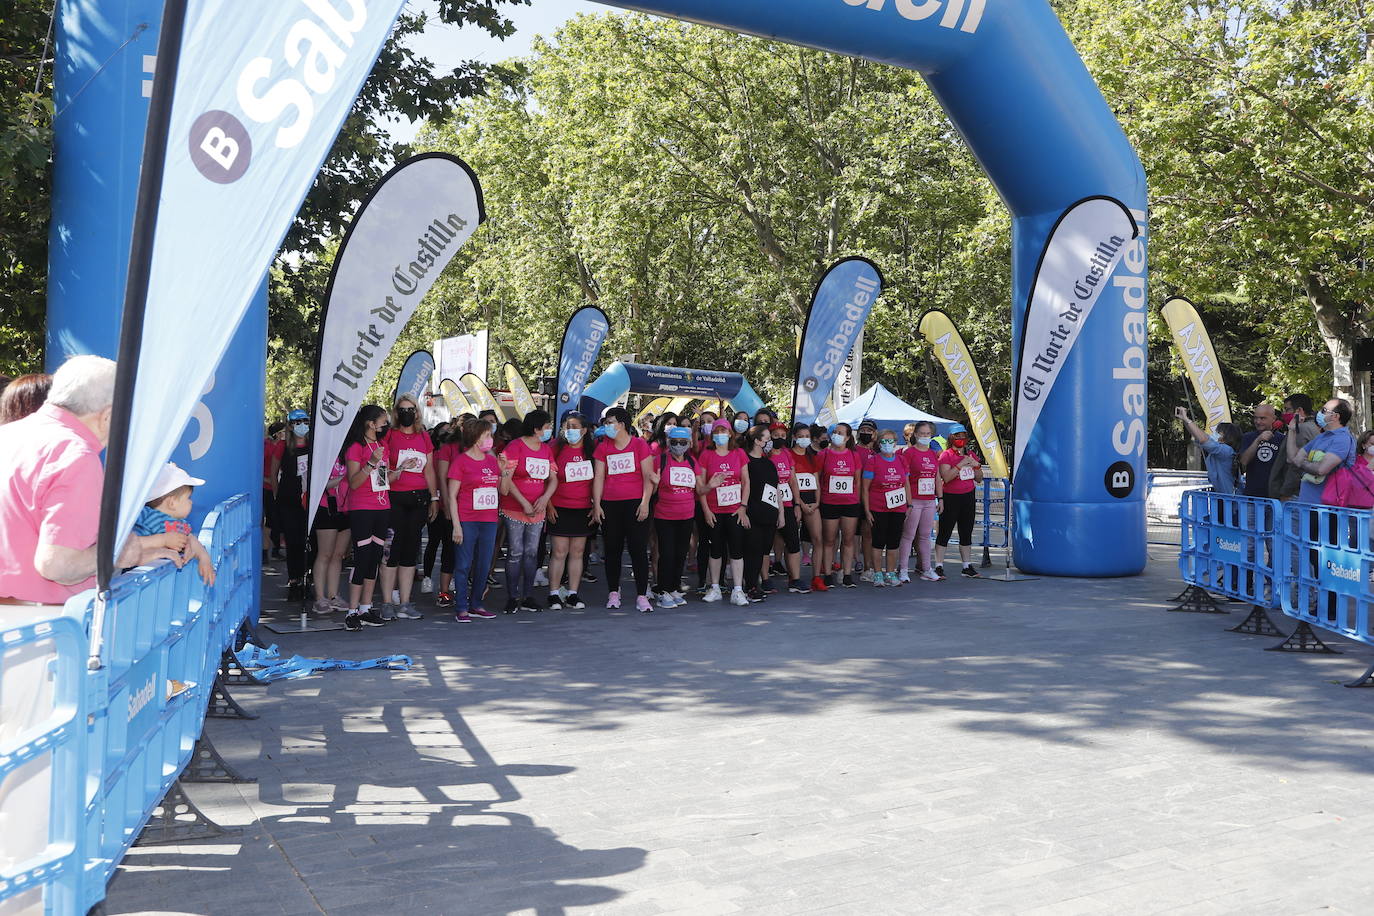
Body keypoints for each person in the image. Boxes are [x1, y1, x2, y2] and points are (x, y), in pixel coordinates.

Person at [0, 355, 186, 607]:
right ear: (108, 416)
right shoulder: (75, 456)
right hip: (47, 624)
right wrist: (119, 553)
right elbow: (57, 564)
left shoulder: (8, 434)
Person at [591, 407, 656, 613]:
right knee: (612, 550)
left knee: (638, 550)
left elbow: (648, 476)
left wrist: (645, 502)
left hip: (636, 504)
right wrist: (597, 504)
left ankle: (641, 595)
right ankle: (613, 592)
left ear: (622, 424)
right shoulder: (603, 447)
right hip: (611, 504)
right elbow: (599, 476)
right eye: (605, 423)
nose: (607, 426)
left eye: (610, 422)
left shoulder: (639, 445)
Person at [378, 395, 437, 621]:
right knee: (391, 551)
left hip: (419, 499)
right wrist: (399, 470)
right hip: (394, 498)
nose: (406, 413)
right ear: (396, 412)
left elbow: (429, 469)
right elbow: (381, 468)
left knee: (410, 552)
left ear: (417, 411)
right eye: (402, 410)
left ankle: (405, 602)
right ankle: (385, 602)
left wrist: (434, 498)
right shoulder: (389, 435)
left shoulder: (424, 436)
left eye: (410, 409)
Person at [342, 406, 398, 631]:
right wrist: (371, 462)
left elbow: (382, 480)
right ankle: (351, 611)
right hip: (362, 509)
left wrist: (400, 470)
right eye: (383, 421)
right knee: (362, 558)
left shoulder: (381, 446)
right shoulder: (356, 448)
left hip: (382, 507)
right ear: (370, 423)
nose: (386, 425)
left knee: (375, 558)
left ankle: (366, 608)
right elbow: (354, 482)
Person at [499, 409, 557, 613]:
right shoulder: (515, 446)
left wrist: (545, 499)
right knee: (516, 552)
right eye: (547, 426)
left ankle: (528, 596)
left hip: (537, 509)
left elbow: (553, 478)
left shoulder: (546, 449)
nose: (550, 430)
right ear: (536, 428)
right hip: (514, 507)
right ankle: (512, 597)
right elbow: (508, 479)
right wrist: (524, 502)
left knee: (532, 553)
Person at [446, 416, 502, 622]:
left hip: (488, 519)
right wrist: (456, 525)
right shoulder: (461, 461)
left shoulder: (492, 460)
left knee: (484, 563)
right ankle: (461, 606)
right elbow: (452, 496)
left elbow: (500, 490)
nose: (491, 439)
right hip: (467, 518)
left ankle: (476, 603)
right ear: (476, 438)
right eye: (487, 435)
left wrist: (506, 472)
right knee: (463, 563)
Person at [133, 463, 216, 586]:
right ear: (172, 503)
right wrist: (162, 540)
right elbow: (128, 544)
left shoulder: (181, 525)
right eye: (188, 498)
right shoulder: (145, 515)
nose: (191, 502)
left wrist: (204, 559)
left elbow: (192, 540)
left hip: (161, 582)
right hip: (136, 582)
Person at [698, 419, 750, 606]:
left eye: (723, 430)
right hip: (714, 510)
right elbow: (701, 487)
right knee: (716, 550)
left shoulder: (739, 453)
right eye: (716, 431)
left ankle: (737, 590)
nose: (720, 434)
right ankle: (715, 587)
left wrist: (743, 507)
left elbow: (746, 482)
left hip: (735, 510)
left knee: (737, 550)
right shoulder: (706, 455)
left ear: (730, 433)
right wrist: (705, 510)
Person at [547, 412, 595, 610]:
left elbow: (598, 480)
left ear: (584, 430)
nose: (570, 431)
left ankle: (573, 593)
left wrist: (596, 505)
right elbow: (546, 479)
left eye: (575, 427)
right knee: (559, 552)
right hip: (559, 507)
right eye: (568, 426)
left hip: (583, 508)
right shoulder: (555, 448)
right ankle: (554, 593)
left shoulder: (592, 451)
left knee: (578, 552)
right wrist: (548, 504)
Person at [652, 426, 698, 608]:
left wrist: (712, 484)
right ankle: (663, 590)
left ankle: (674, 588)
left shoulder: (693, 463)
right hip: (664, 515)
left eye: (683, 442)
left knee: (680, 554)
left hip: (687, 515)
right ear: (669, 442)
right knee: (667, 553)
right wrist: (654, 484)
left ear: (689, 443)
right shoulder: (660, 460)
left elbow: (700, 489)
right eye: (675, 442)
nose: (679, 446)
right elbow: (651, 489)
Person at [270, 409, 312, 602]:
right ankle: (294, 580)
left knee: (309, 542)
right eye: (297, 422)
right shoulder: (283, 446)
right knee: (293, 542)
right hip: (288, 499)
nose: (302, 425)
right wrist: (278, 495)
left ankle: (307, 579)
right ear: (290, 425)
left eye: (305, 421)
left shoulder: (313, 445)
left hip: (309, 500)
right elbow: (274, 472)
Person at [861, 428, 912, 587]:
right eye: (884, 441)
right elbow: (865, 488)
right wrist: (867, 510)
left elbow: (906, 484)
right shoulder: (873, 461)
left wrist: (909, 504)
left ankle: (890, 573)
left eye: (891, 441)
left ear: (896, 443)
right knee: (878, 541)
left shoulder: (901, 460)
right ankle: (877, 574)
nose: (887, 444)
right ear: (879, 443)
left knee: (893, 542)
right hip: (878, 507)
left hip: (898, 508)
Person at [1285, 397, 1357, 504]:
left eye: (1324, 410)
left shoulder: (1342, 439)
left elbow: (1321, 469)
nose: (1319, 413)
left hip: (1326, 510)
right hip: (1308, 505)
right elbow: (1292, 458)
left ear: (1335, 416)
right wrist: (1292, 430)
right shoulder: (1322, 437)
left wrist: (1301, 462)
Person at [935, 424, 984, 578]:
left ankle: (967, 565)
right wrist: (960, 464)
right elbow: (947, 477)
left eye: (963, 436)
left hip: (968, 496)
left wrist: (976, 467)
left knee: (966, 531)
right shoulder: (946, 455)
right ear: (951, 438)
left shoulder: (971, 454)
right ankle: (939, 565)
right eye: (957, 436)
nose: (960, 439)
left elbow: (980, 478)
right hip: (950, 497)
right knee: (945, 531)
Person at [741, 425, 782, 603]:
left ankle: (754, 583)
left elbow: (777, 488)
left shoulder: (769, 463)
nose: (770, 441)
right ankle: (750, 586)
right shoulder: (746, 462)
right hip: (753, 513)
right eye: (766, 438)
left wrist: (780, 513)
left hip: (770, 514)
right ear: (757, 441)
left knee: (764, 551)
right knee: (753, 552)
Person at [818, 422, 862, 588]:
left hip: (850, 503)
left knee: (848, 539)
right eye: (835, 432)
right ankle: (828, 573)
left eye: (841, 432)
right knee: (829, 540)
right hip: (829, 502)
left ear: (848, 437)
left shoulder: (853, 455)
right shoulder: (824, 454)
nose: (837, 435)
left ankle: (847, 573)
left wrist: (856, 500)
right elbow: (818, 477)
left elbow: (857, 480)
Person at [898, 421, 943, 582]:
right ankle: (903, 570)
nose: (925, 436)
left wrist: (940, 498)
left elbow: (937, 477)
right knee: (908, 535)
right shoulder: (909, 453)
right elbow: (903, 478)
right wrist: (907, 501)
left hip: (929, 500)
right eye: (922, 433)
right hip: (914, 500)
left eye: (928, 434)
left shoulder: (932, 453)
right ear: (915, 435)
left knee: (925, 536)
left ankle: (927, 569)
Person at [768, 422, 808, 594]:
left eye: (782, 435)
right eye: (775, 435)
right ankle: (764, 580)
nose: (779, 438)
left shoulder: (786, 453)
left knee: (792, 542)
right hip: (768, 504)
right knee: (765, 544)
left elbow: (793, 480)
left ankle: (795, 579)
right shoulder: (764, 455)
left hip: (788, 503)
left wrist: (797, 504)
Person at [310, 444, 350, 615]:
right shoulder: (322, 454)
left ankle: (334, 595)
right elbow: (319, 484)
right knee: (325, 554)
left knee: (338, 555)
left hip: (346, 507)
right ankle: (320, 597)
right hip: (326, 507)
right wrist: (344, 477)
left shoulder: (349, 452)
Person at [789, 422, 825, 591]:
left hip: (812, 501)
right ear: (794, 437)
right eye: (801, 436)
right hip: (794, 501)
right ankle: (792, 577)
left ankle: (816, 577)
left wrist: (817, 502)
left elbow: (816, 481)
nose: (804, 439)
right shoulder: (788, 455)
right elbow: (790, 481)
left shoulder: (812, 457)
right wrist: (800, 503)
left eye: (807, 437)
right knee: (790, 540)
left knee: (818, 538)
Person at [1176, 408, 1241, 495]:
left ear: (1226, 436)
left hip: (1233, 500)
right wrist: (1184, 419)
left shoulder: (1226, 451)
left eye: (1218, 432)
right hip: (1226, 497)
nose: (1215, 434)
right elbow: (1198, 436)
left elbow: (1203, 439)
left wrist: (1187, 419)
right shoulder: (1220, 450)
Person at [1270, 394, 1319, 501]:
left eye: (1288, 410)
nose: (1285, 414)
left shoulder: (1300, 429)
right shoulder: (1314, 426)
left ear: (1299, 410)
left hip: (1294, 495)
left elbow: (1295, 464)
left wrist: (1286, 492)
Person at [1238, 404, 1284, 498]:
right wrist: (1258, 440)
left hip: (1275, 497)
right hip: (1252, 495)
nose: (1258, 422)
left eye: (1263, 418)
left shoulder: (1282, 439)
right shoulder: (1248, 437)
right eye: (1256, 418)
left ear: (1274, 418)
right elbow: (1244, 461)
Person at [262, 420, 286, 561]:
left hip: (280, 488)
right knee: (270, 522)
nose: (286, 434)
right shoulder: (267, 447)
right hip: (268, 489)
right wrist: (268, 480)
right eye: (283, 432)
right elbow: (259, 468)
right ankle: (265, 553)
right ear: (277, 434)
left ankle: (276, 549)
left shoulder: (286, 446)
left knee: (279, 521)